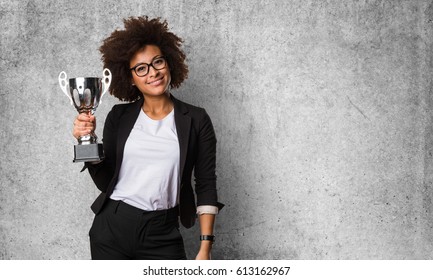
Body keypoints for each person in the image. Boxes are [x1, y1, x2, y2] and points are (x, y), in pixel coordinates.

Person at [72, 16, 223, 260]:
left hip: (162, 232)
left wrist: (205, 247)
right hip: (112, 227)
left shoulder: (196, 119)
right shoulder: (119, 117)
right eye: (141, 68)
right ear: (130, 78)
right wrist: (87, 141)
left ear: (169, 63)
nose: (153, 73)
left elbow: (205, 183)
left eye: (158, 62)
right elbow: (106, 180)